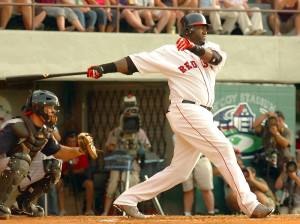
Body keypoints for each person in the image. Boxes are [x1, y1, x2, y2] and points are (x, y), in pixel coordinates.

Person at [86, 12, 273, 219]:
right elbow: (133, 63)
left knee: (180, 171)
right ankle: (250, 204)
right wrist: (103, 68)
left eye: (205, 27)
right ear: (187, 30)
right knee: (224, 149)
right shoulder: (171, 52)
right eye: (200, 27)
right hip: (186, 109)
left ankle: (127, 199)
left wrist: (193, 48)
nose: (205, 30)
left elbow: (215, 58)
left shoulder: (212, 48)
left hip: (203, 113)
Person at [0, 90, 95, 219]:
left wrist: (81, 150)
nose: (53, 111)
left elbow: (59, 152)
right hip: (7, 169)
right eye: (49, 107)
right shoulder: (15, 125)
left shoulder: (44, 131)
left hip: (16, 170)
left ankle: (23, 204)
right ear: (38, 108)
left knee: (53, 164)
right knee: (21, 160)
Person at [101, 95, 151, 216]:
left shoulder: (140, 132)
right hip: (118, 161)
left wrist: (141, 149)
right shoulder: (117, 131)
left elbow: (147, 146)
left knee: (132, 183)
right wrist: (116, 147)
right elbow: (108, 146)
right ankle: (105, 212)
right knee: (112, 185)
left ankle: (131, 211)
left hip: (133, 162)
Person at [57, 132, 95, 215]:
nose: (71, 144)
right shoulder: (62, 151)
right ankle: (62, 210)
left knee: (90, 184)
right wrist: (66, 162)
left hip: (79, 177)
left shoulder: (80, 151)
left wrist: (72, 170)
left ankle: (88, 210)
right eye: (69, 142)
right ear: (66, 143)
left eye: (73, 142)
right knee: (59, 183)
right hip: (66, 178)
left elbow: (83, 169)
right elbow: (60, 169)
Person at [253, 111, 292, 190]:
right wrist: (266, 115)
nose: (277, 123)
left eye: (279, 121)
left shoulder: (286, 131)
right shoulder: (266, 131)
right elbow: (254, 126)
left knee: (283, 187)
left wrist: (276, 133)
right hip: (268, 164)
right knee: (269, 187)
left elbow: (285, 143)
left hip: (283, 164)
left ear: (283, 122)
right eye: (275, 121)